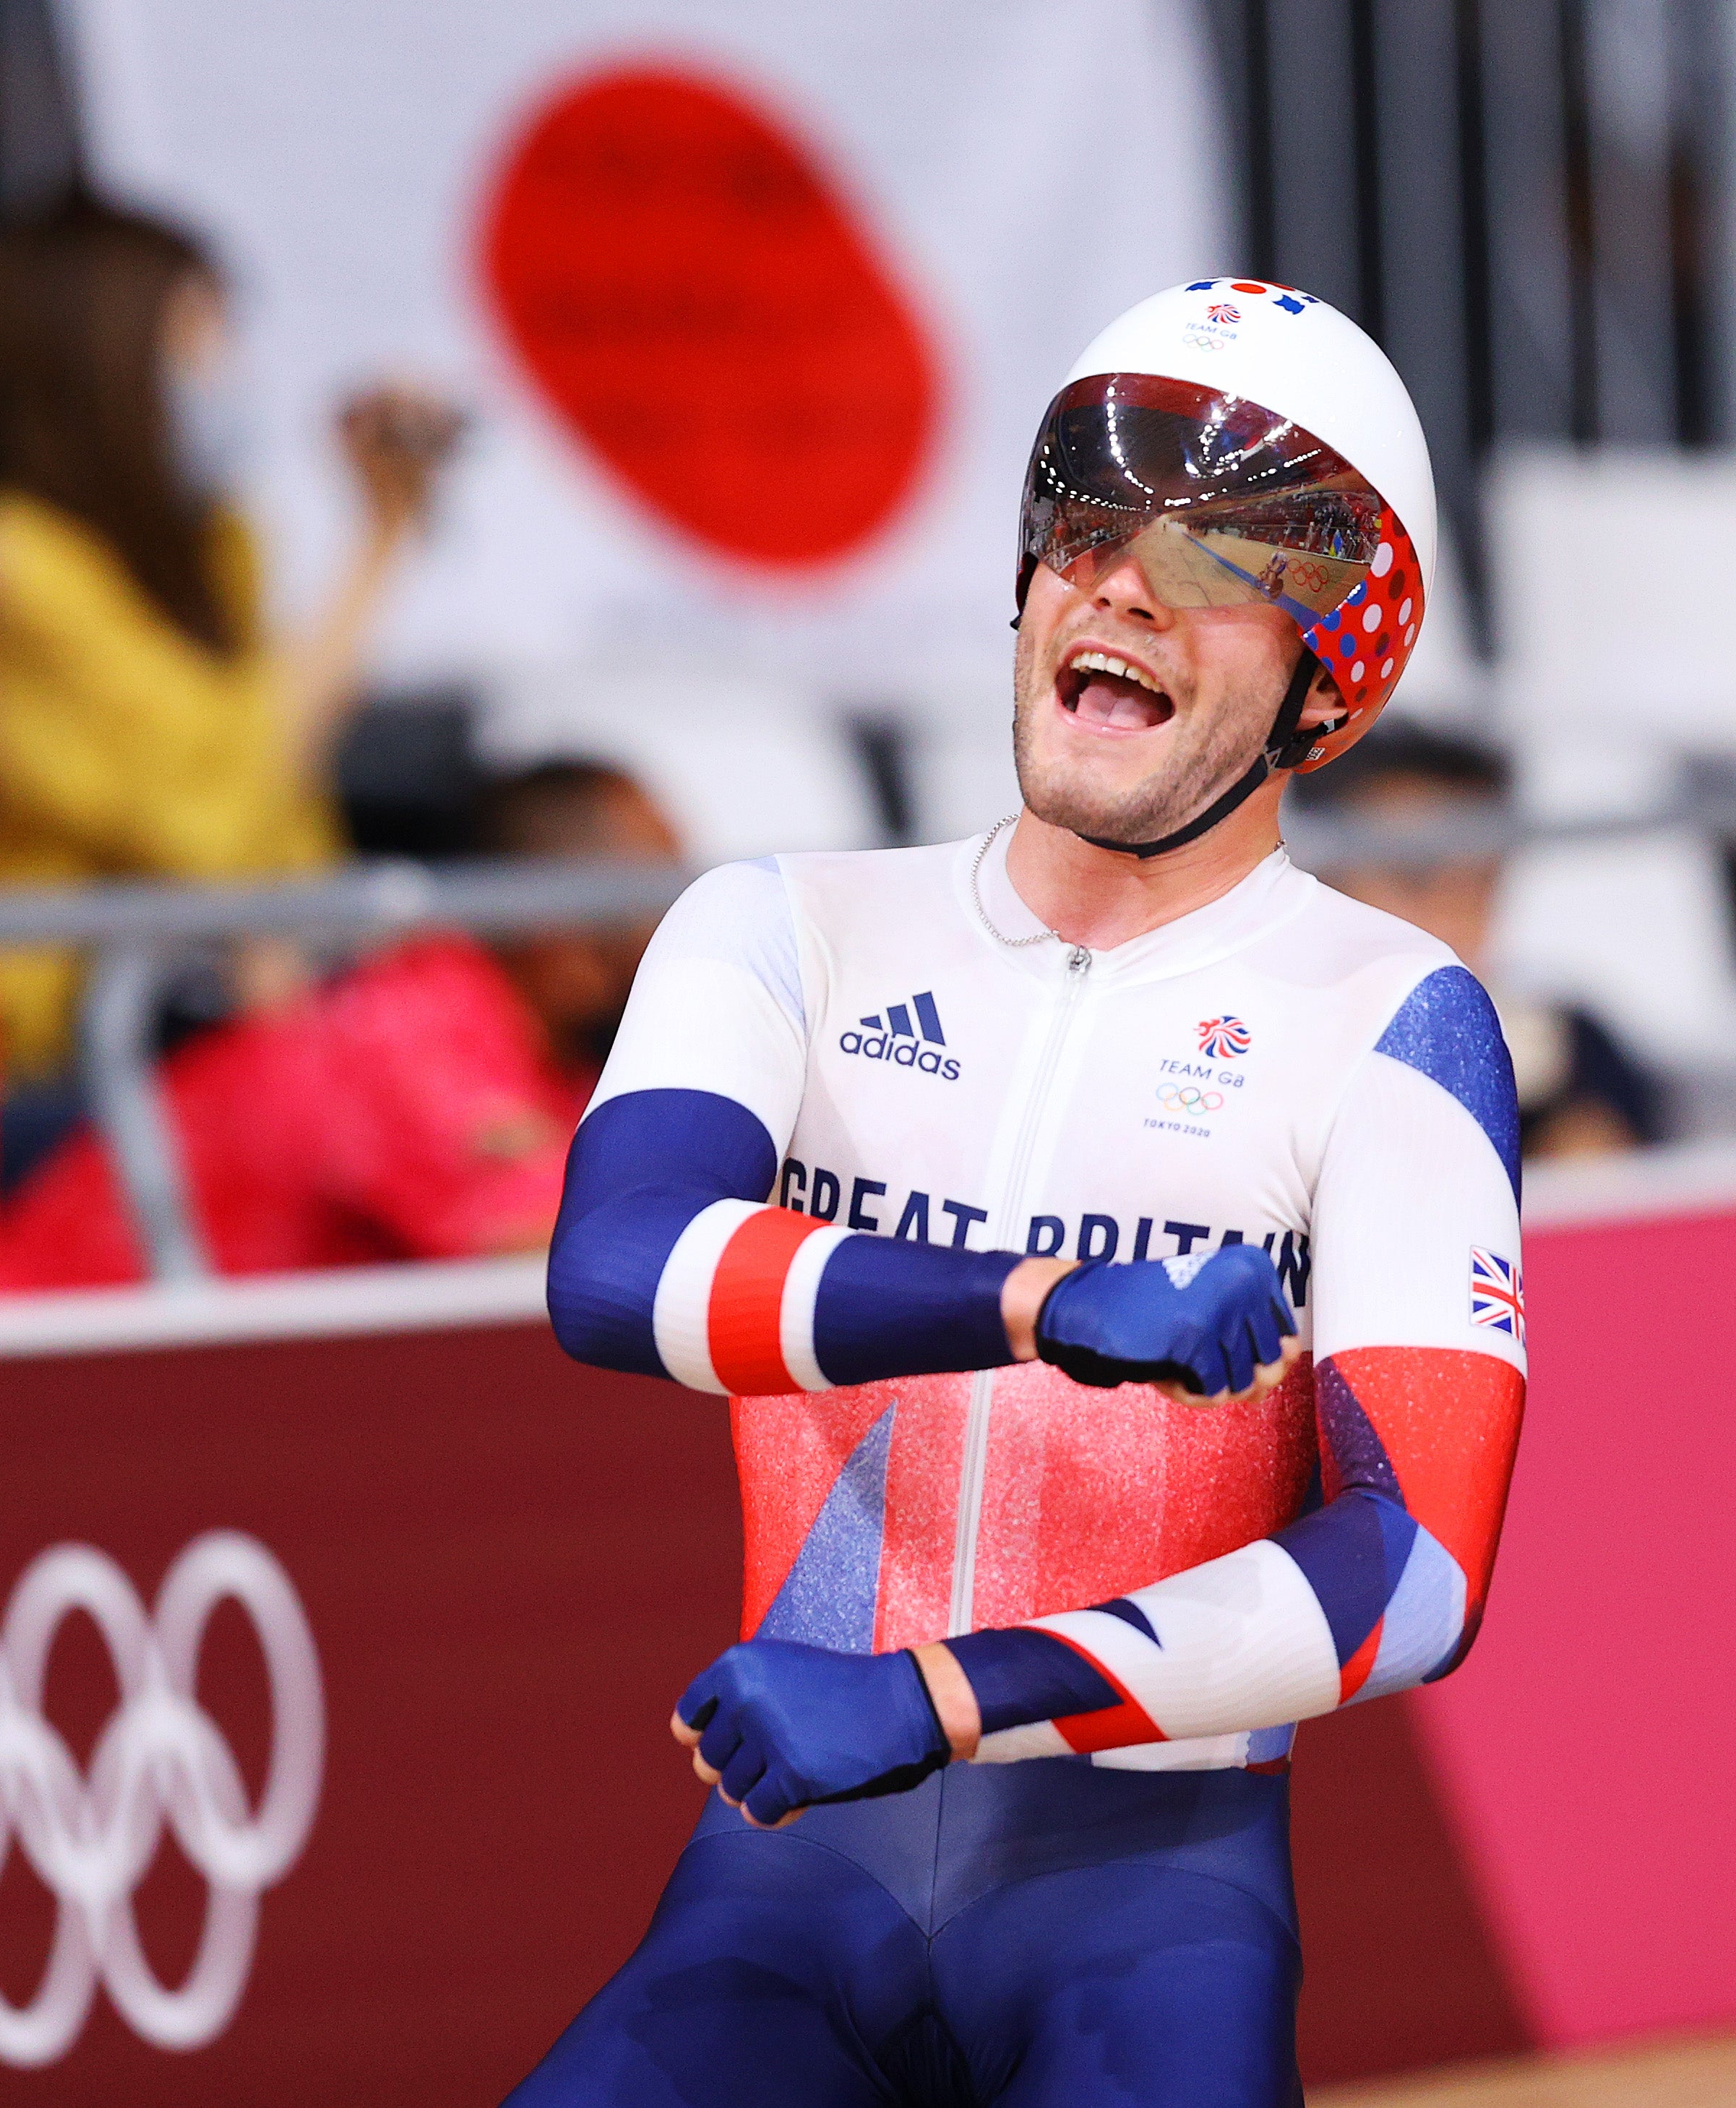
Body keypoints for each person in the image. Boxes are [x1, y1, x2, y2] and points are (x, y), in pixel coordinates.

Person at [517, 282, 1526, 2104]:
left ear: (1335, 658)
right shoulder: (781, 921)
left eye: (1222, 554)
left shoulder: (1391, 1020)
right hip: (785, 1879)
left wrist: (931, 1695)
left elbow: (1418, 1569)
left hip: (1144, 1902)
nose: (1123, 583)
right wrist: (1030, 1302)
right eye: (1086, 512)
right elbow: (615, 1270)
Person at [0, 195, 456, 1106]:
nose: (228, 367)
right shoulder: (8, 567)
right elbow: (215, 824)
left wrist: (384, 533)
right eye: (200, 330)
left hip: (220, 1038)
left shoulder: (220, 544)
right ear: (102, 357)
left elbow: (280, 821)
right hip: (74, 1070)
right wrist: (376, 549)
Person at [0, 761, 676, 1292]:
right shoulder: (407, 1029)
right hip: (9, 1394)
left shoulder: (556, 1047)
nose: (701, 924)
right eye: (663, 890)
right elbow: (580, 1255)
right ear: (568, 940)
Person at [1310, 724, 1660, 1156]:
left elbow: (1623, 1196)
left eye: (1482, 881)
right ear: (1316, 874)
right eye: (1416, 878)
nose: (1457, 914)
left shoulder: (1569, 1050)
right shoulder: (1249, 1047)